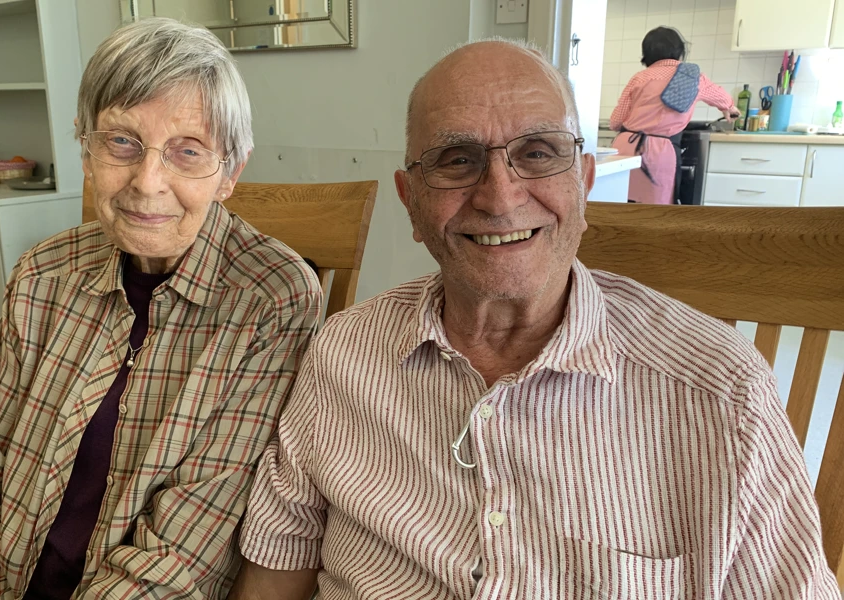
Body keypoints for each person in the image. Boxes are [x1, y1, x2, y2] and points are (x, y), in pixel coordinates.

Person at [228, 39, 841, 599]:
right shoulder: (342, 356)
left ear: (585, 183)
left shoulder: (721, 396)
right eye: (457, 159)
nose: (499, 195)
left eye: (538, 152)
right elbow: (276, 570)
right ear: (410, 203)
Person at [0, 18, 321, 600]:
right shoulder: (44, 273)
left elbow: (182, 547)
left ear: (230, 173)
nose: (147, 182)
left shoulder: (271, 299)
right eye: (121, 141)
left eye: (188, 151)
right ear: (86, 149)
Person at [611, 27, 739, 204]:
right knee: (657, 211)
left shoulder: (639, 78)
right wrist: (730, 109)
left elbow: (615, 122)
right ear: (680, 52)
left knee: (619, 205)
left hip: (624, 149)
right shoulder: (691, 77)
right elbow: (721, 96)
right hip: (660, 152)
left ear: (646, 54)